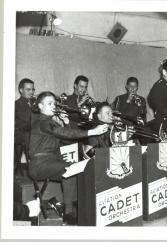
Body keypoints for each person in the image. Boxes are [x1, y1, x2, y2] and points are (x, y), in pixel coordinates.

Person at [29, 91, 108, 225]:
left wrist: (66, 123)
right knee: (70, 169)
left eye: (54, 103)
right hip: (39, 164)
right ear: (40, 106)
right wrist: (92, 131)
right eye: (49, 103)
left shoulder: (49, 123)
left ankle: (79, 207)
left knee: (76, 168)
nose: (54, 106)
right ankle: (69, 212)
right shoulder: (42, 121)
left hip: (51, 161)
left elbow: (67, 141)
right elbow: (65, 134)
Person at [14, 78, 36, 173]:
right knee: (29, 135)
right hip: (22, 134)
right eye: (28, 89)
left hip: (33, 132)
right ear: (21, 90)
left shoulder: (36, 102)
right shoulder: (16, 104)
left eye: (33, 89)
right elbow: (26, 122)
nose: (31, 92)